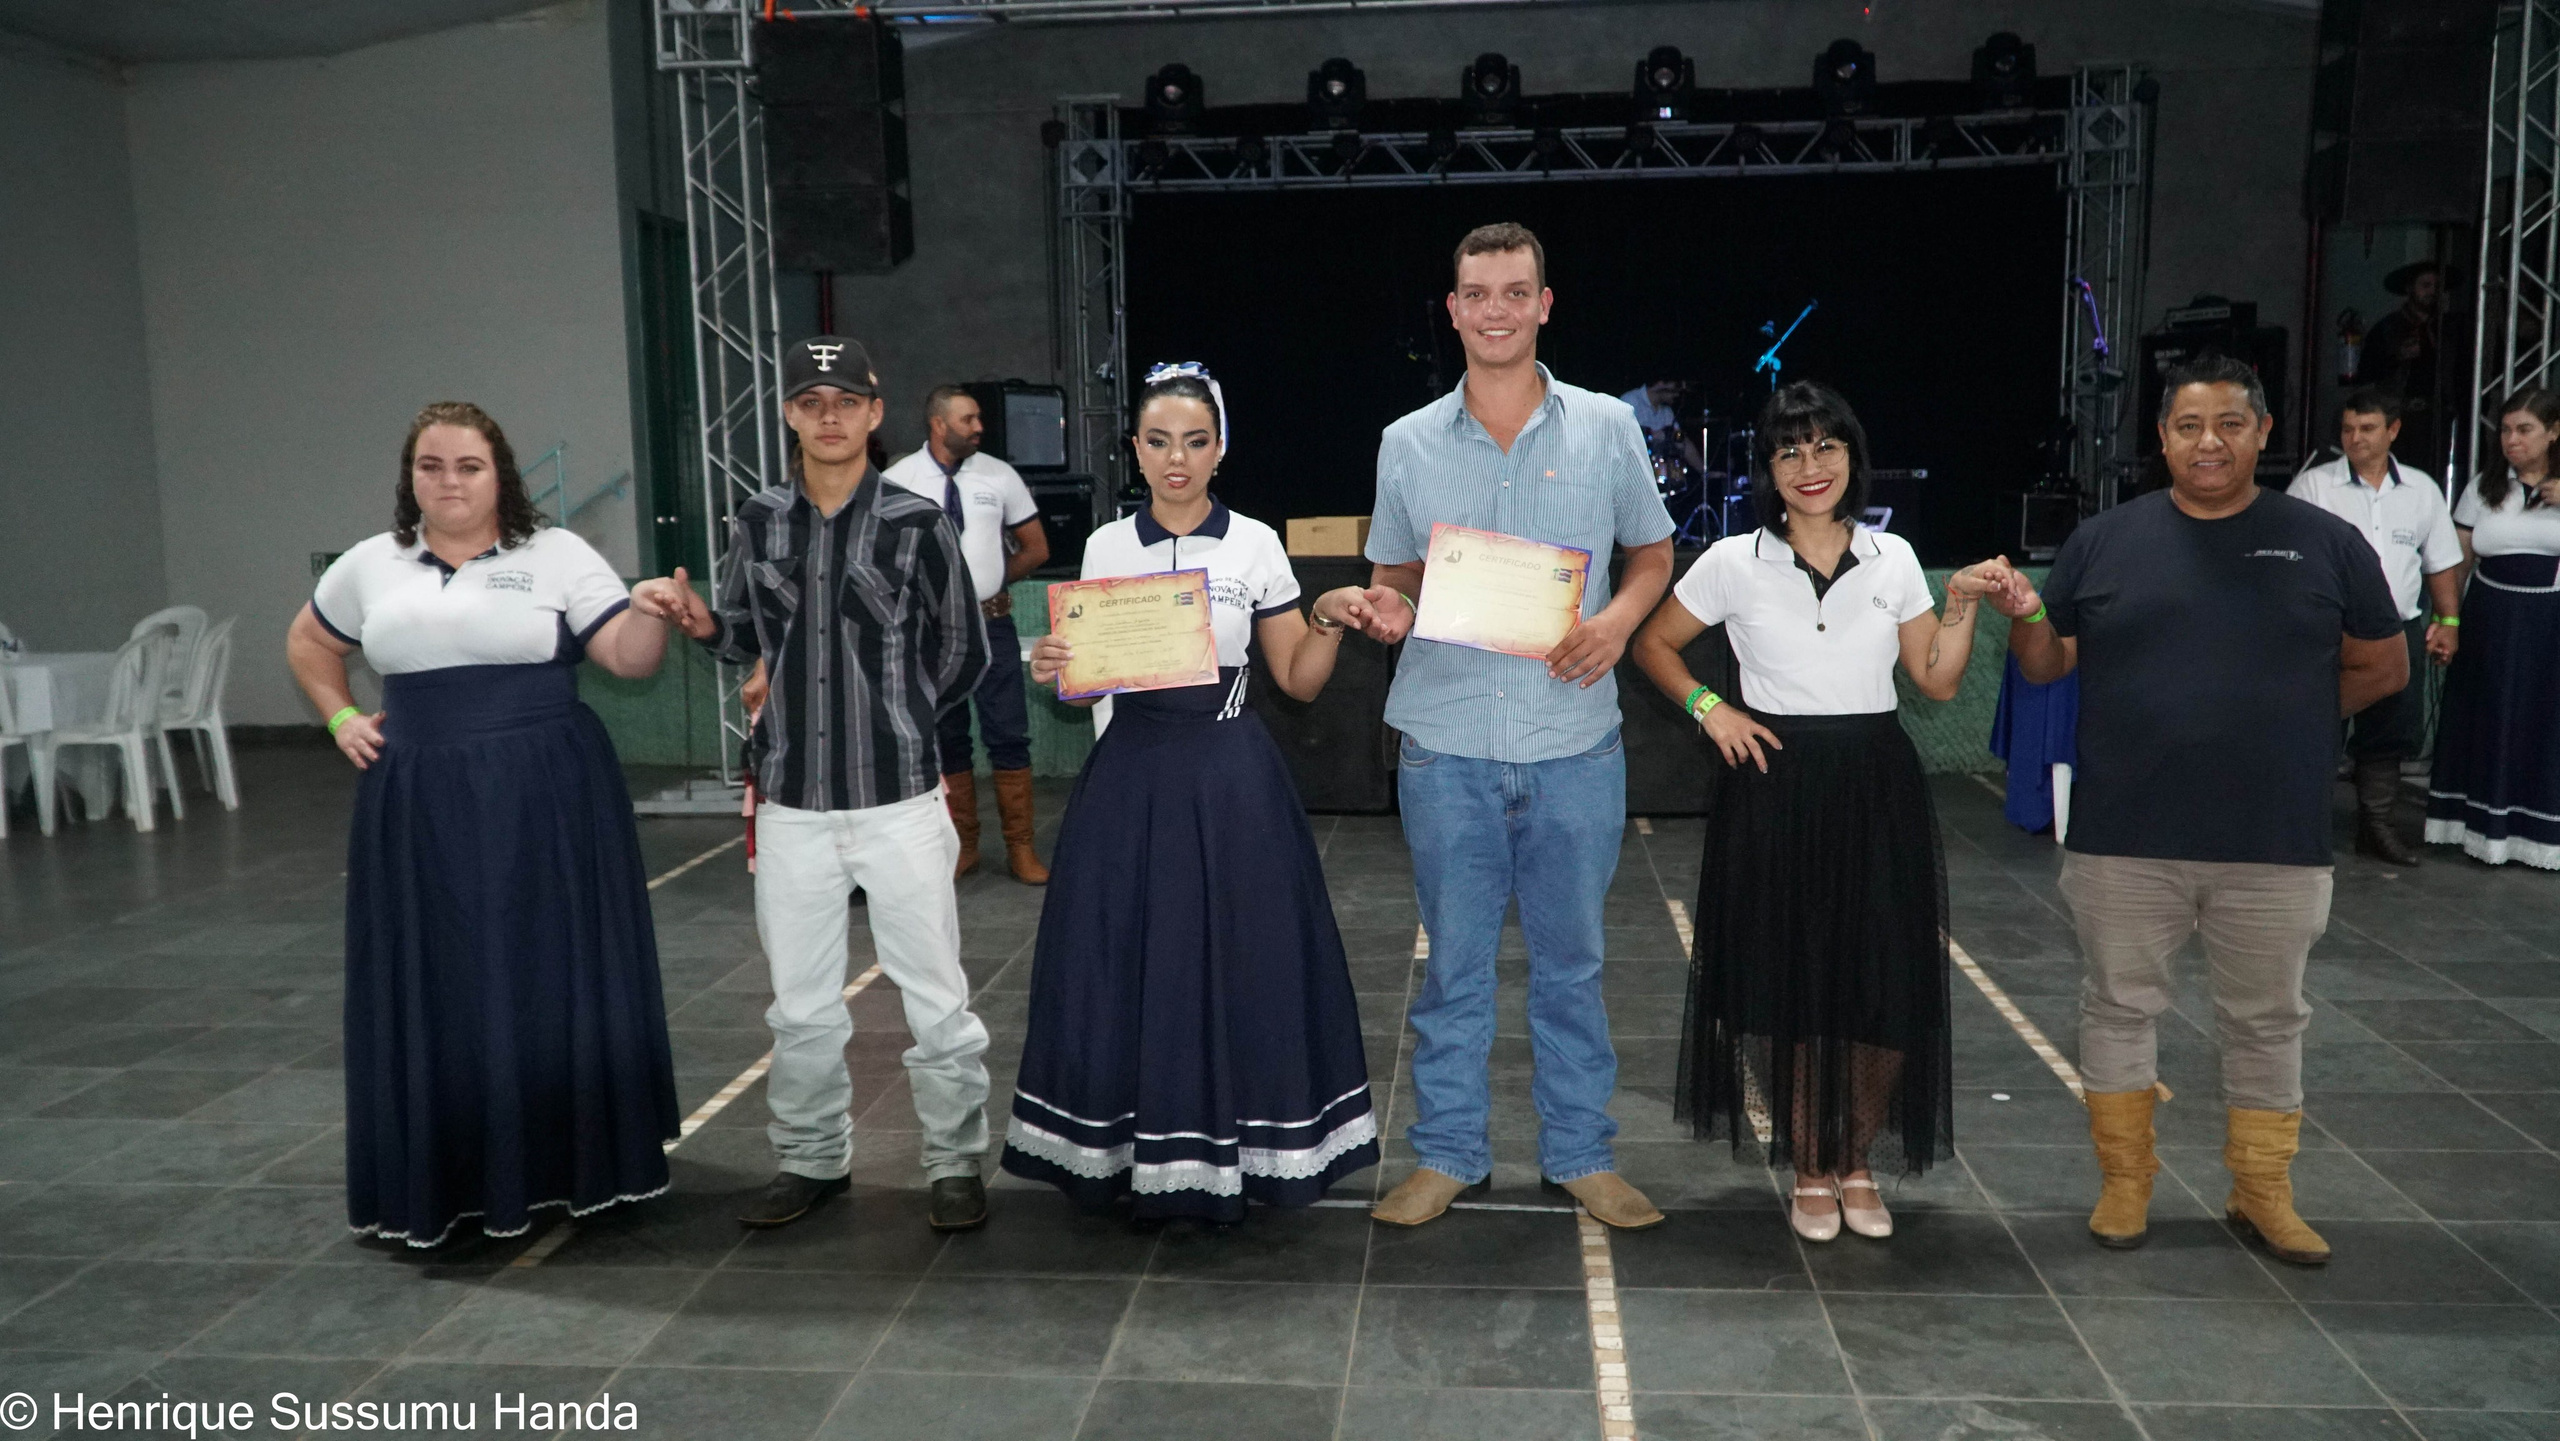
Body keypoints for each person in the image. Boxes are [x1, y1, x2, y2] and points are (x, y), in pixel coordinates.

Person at [1995, 355, 2406, 1267]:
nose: (2208, 442)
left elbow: (2383, 665)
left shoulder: (2324, 541)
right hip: (2123, 835)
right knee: (2117, 1007)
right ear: (2163, 438)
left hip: (2275, 838)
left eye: (2229, 424)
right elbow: (2043, 663)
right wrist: (2025, 612)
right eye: (2188, 425)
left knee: (2268, 1019)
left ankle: (2263, 1192)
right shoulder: (2104, 541)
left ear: (2263, 433)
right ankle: (2125, 1184)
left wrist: (2285, 717)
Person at [285, 401, 683, 1251]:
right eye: (431, 465)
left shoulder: (558, 554)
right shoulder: (370, 564)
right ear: (410, 476)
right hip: (419, 800)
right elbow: (310, 645)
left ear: (501, 474)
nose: (449, 481)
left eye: (468, 465)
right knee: (439, 972)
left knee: (550, 964)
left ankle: (567, 1163)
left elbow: (627, 658)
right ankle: (454, 1166)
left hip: (548, 794)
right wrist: (340, 718)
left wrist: (650, 607)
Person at [1346, 223, 1677, 1231]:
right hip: (1444, 747)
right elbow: (1394, 573)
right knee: (1451, 968)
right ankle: (1446, 1154)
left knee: (1571, 967)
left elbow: (1652, 556)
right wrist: (1384, 606)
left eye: (1514, 290)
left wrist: (1617, 624)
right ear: (1451, 310)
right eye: (1476, 292)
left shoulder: (1605, 429)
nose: (1495, 308)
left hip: (1573, 742)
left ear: (1544, 303)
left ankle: (1581, 1153)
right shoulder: (1404, 442)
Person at [1001, 362, 1380, 1223]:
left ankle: (1249, 1155)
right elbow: (1087, 688)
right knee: (1124, 958)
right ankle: (1123, 1153)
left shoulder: (1255, 542)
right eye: (1160, 441)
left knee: (1243, 959)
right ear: (1135, 447)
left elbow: (1299, 679)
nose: (1178, 459)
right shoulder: (1104, 546)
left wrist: (1328, 618)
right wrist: (1055, 669)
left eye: (1196, 441)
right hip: (1128, 780)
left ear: (1221, 449)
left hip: (1231, 776)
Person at [1631, 381, 2006, 1243]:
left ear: (1851, 456)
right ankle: (1808, 1164)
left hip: (1876, 785)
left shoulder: (1895, 559)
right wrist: (1708, 709)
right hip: (1773, 785)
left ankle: (1859, 1159)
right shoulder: (1732, 560)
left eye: (1826, 446)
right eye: (1790, 450)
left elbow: (1937, 681)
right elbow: (1653, 644)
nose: (1811, 466)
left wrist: (1961, 607)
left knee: (1882, 981)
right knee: (1784, 985)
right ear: (1767, 466)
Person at [637, 336, 997, 1233]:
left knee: (937, 998)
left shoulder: (919, 521)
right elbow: (741, 641)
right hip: (793, 802)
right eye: (811, 401)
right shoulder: (757, 520)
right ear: (791, 414)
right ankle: (810, 1157)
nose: (828, 415)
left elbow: (963, 652)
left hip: (902, 799)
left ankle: (954, 1163)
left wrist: (901, 717)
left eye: (846, 400)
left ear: (876, 415)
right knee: (799, 1004)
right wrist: (699, 621)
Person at [884, 387, 1054, 884]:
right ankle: (964, 847)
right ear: (939, 424)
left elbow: (1036, 547)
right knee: (948, 737)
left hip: (992, 623)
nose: (979, 426)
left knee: (1009, 734)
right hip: (931, 632)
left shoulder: (999, 475)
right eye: (969, 418)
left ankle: (1021, 850)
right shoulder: (897, 481)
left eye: (978, 418)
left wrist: (992, 581)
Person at [2291, 388, 2464, 865]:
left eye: (2368, 429)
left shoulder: (2422, 490)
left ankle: (2378, 829)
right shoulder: (2314, 487)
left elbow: (2442, 563)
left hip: (2397, 630)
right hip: (2327, 631)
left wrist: (2448, 620)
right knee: (2317, 727)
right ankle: (2303, 831)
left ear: (2393, 430)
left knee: (2388, 733)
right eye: (2347, 429)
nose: (2356, 438)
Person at [2426, 386, 2560, 867]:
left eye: (2525, 429)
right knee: (2487, 715)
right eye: (2505, 430)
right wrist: (2449, 619)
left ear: (2554, 432)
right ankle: (2477, 826)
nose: (2512, 440)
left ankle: (2537, 832)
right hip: (2489, 618)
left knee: (2543, 722)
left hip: (2550, 622)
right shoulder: (2484, 487)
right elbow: (2456, 561)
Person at [2352, 262, 2446, 468]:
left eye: (2436, 286)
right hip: (2398, 420)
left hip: (2437, 422)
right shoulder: (2387, 329)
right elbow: (2366, 374)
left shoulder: (2448, 328)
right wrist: (2397, 357)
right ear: (2409, 288)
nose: (2432, 291)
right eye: (2426, 285)